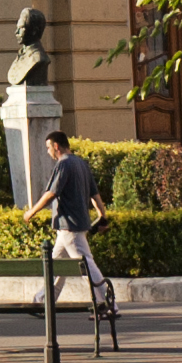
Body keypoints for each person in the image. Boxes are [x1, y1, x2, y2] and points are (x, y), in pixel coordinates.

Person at [40, 132, 111, 309]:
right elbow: (95, 195)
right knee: (55, 266)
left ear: (56, 146)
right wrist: (103, 216)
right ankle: (42, 302)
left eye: (48, 147)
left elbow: (51, 194)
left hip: (69, 226)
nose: (48, 151)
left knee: (86, 265)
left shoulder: (63, 164)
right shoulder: (81, 163)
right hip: (75, 225)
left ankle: (107, 303)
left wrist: (30, 212)